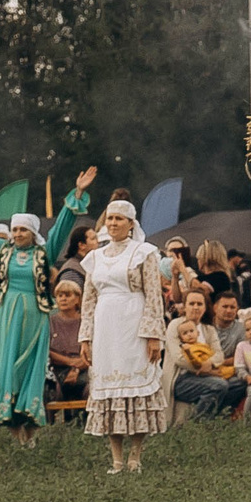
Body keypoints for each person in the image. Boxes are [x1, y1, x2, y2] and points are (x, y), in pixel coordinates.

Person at [0, 170, 95, 446]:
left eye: (22, 230)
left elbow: (63, 227)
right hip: (4, 318)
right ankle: (16, 435)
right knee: (6, 369)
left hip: (33, 318)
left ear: (32, 232)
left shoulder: (44, 253)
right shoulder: (2, 251)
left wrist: (76, 193)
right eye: (14, 230)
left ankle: (31, 434)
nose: (17, 234)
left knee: (28, 368)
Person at [78, 199, 167, 473]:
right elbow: (89, 299)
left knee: (136, 384)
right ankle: (116, 458)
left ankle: (135, 455)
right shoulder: (96, 257)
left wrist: (154, 335)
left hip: (134, 322)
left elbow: (154, 294)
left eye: (119, 219)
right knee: (108, 389)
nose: (113, 223)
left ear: (131, 224)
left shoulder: (144, 252)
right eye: (110, 218)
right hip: (106, 326)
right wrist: (86, 337)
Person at [163, 287, 242, 420]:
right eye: (191, 304)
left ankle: (216, 418)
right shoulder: (175, 325)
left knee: (239, 383)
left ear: (205, 308)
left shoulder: (208, 329)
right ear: (185, 307)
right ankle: (195, 426)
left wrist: (209, 363)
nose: (196, 307)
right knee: (219, 385)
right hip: (181, 378)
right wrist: (203, 370)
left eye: (199, 304)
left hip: (207, 375)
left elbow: (219, 355)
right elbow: (179, 358)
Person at [45, 279, 88, 409]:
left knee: (91, 386)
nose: (63, 299)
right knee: (50, 388)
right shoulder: (49, 322)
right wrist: (70, 362)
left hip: (84, 367)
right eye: (60, 296)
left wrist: (77, 368)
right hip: (57, 369)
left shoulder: (86, 322)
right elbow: (46, 350)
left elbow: (93, 349)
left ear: (77, 299)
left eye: (68, 295)